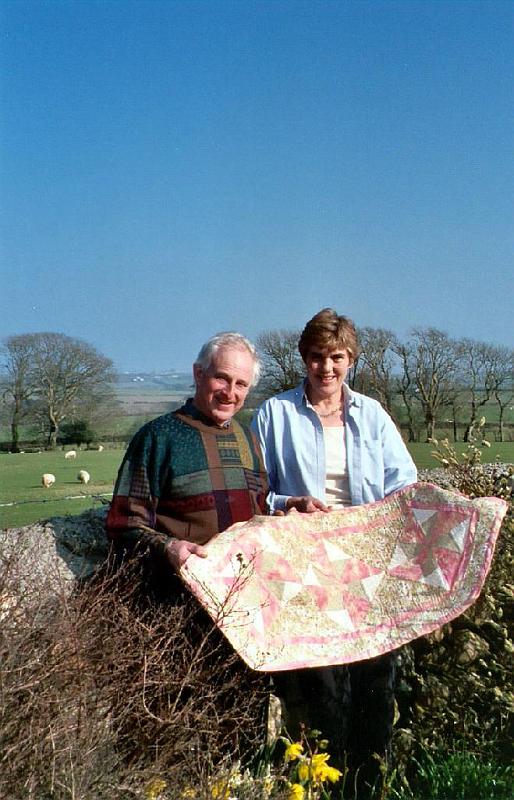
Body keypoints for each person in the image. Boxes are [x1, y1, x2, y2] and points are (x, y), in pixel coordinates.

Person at [251, 308, 417, 797]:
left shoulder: (373, 415)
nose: (327, 367)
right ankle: (324, 785)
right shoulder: (274, 413)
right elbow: (256, 490)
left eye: (337, 357)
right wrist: (289, 503)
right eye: (318, 357)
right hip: (305, 565)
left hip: (368, 560)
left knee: (375, 675)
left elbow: (404, 481)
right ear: (304, 359)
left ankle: (368, 785)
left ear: (351, 360)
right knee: (320, 682)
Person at [106, 332, 268, 580]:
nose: (230, 392)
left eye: (241, 384)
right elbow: (124, 525)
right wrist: (169, 548)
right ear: (199, 374)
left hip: (242, 590)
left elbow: (259, 511)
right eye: (221, 378)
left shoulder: (249, 438)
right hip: (178, 592)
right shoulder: (157, 438)